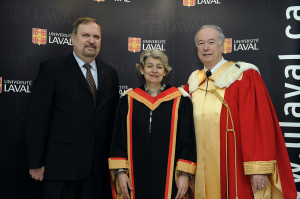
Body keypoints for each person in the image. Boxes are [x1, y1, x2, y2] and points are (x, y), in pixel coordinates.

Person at [184, 24, 297, 199]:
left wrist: (257, 168)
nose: (205, 47)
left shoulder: (243, 76)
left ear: (222, 46)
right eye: (201, 43)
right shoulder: (193, 84)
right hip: (200, 170)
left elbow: (257, 123)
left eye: (211, 42)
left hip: (233, 167)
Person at [26, 17, 119, 199]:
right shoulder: (52, 70)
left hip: (97, 171)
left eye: (96, 36)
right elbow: (37, 119)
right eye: (85, 35)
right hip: (61, 168)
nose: (91, 40)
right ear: (73, 38)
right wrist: (36, 162)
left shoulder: (110, 74)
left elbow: (112, 122)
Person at [108, 49, 196, 199]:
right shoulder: (128, 100)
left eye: (159, 67)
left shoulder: (180, 100)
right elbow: (118, 139)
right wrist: (121, 172)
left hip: (169, 178)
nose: (154, 70)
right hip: (135, 176)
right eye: (149, 66)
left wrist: (184, 174)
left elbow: (187, 139)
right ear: (141, 70)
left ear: (165, 72)